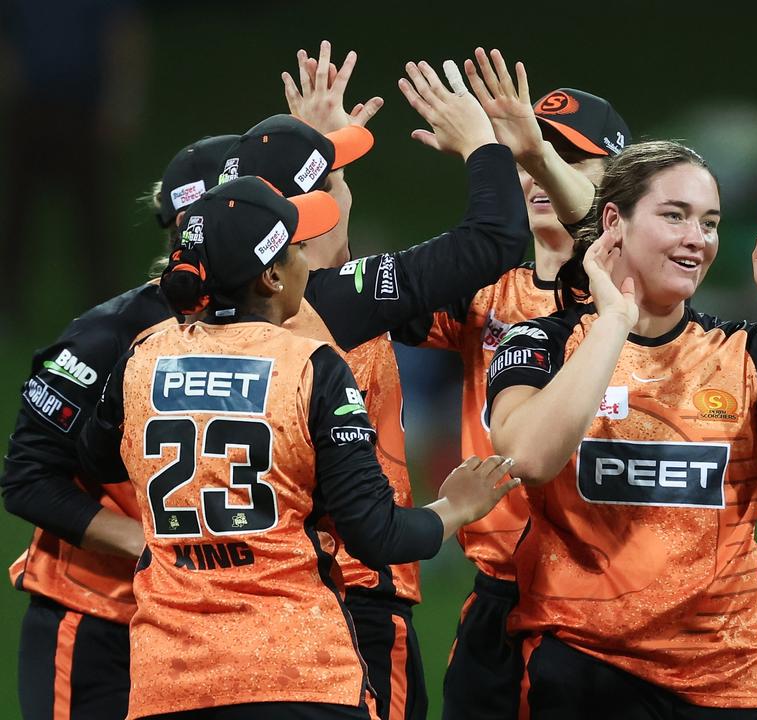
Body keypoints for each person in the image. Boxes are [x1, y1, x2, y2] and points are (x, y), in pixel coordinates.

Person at [76, 175, 521, 720]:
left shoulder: (143, 355)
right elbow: (376, 534)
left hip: (168, 679)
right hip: (300, 675)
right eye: (297, 251)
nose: (309, 265)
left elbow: (96, 458)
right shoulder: (311, 366)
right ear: (271, 276)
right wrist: (459, 505)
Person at [485, 139, 757, 718]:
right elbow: (529, 456)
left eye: (709, 222)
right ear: (613, 222)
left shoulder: (747, 351)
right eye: (673, 215)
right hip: (585, 671)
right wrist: (614, 323)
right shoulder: (540, 342)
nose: (695, 238)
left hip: (728, 677)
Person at [231, 46, 530, 720]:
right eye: (334, 178)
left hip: (239, 602)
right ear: (310, 215)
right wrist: (483, 144)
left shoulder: (186, 317)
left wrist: (309, 144)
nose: (348, 186)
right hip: (352, 592)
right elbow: (493, 239)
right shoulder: (331, 303)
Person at [391, 47, 632, 719]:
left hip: (613, 607)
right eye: (524, 155)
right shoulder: (484, 289)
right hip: (498, 598)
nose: (534, 169)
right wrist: (321, 162)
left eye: (562, 156)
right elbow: (355, 296)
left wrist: (515, 151)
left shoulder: (641, 297)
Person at [1, 131, 235, 720]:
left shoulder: (276, 337)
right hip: (97, 623)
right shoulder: (105, 336)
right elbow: (28, 478)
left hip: (208, 631)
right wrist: (150, 548)